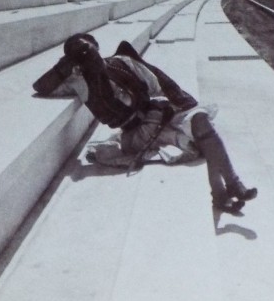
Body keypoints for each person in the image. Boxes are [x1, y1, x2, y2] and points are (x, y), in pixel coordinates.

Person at [33, 34, 257, 214]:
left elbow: (159, 86)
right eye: (83, 56)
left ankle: (232, 184)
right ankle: (221, 195)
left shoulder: (122, 63)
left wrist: (170, 107)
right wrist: (64, 65)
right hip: (137, 134)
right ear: (77, 64)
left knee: (201, 121)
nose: (92, 58)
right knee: (202, 142)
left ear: (98, 48)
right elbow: (41, 87)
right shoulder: (78, 83)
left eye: (91, 51)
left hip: (159, 113)